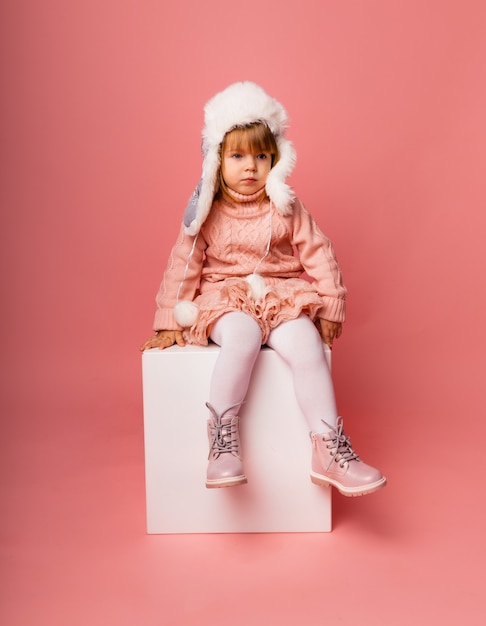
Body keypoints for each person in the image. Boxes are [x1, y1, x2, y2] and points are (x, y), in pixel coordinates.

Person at [141, 81, 386, 497]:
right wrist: (170, 319)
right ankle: (221, 442)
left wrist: (329, 305)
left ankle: (327, 449)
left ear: (277, 159)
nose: (250, 166)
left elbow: (318, 252)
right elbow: (183, 266)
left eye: (261, 156)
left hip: (280, 293)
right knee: (243, 335)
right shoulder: (207, 211)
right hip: (226, 297)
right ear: (217, 160)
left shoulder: (285, 205)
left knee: (306, 343)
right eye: (237, 156)